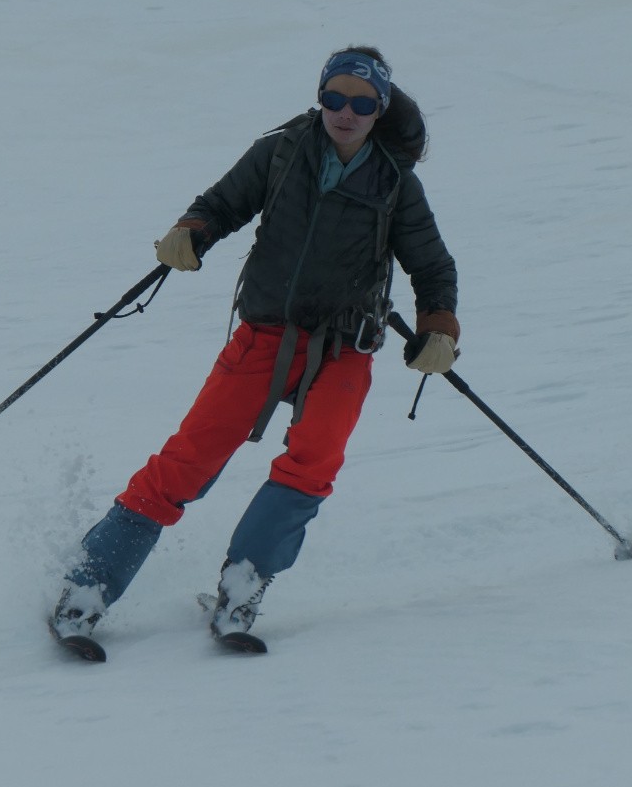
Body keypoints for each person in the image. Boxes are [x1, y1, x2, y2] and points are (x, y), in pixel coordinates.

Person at [50, 46, 460, 647]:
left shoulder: (397, 183)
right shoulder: (282, 153)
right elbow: (222, 204)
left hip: (346, 345)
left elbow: (433, 266)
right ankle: (87, 589)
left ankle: (242, 590)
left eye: (362, 102)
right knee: (187, 461)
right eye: (334, 98)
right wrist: (191, 235)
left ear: (380, 109)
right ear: (320, 97)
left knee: (314, 460)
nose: (346, 112)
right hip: (267, 332)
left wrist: (439, 327)